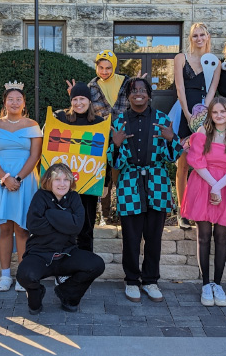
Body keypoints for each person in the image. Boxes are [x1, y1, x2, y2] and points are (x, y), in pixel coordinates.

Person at [108, 77, 182, 303]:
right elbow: (113, 162)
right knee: (130, 237)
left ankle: (150, 281)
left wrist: (171, 140)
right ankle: (131, 280)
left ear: (149, 95)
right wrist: (116, 145)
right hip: (129, 184)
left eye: (142, 90)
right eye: (133, 90)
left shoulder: (162, 119)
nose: (138, 93)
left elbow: (174, 156)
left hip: (157, 184)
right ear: (128, 96)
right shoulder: (119, 121)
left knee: (154, 238)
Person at [180, 97, 226, 307]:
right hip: (203, 185)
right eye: (215, 112)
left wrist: (219, 187)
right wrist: (213, 185)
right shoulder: (202, 134)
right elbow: (196, 162)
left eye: (223, 111)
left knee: (221, 237)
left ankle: (217, 284)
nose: (219, 115)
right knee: (203, 236)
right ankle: (205, 284)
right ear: (210, 114)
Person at [16, 163, 105, 315]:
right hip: (40, 253)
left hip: (66, 254)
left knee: (96, 264)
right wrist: (65, 222)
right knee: (25, 277)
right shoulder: (40, 196)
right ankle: (36, 293)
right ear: (49, 181)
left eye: (66, 179)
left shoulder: (74, 197)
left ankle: (67, 293)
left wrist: (50, 215)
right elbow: (34, 225)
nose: (62, 184)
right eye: (57, 179)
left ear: (71, 182)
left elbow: (77, 226)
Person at [0, 82, 42, 292]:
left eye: (19, 99)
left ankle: (23, 276)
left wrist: (18, 178)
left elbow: (35, 155)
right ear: (5, 102)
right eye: (11, 99)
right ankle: (5, 275)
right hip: (0, 180)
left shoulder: (33, 125)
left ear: (24, 102)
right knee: (5, 228)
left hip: (25, 180)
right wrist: (6, 178)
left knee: (23, 228)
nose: (15, 102)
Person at [68, 49, 132, 224]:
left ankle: (123, 211)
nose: (104, 71)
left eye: (108, 68)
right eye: (101, 67)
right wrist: (72, 97)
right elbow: (83, 108)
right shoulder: (91, 87)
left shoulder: (127, 83)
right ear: (96, 67)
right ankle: (105, 215)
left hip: (124, 135)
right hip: (100, 137)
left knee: (122, 174)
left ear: (115, 67)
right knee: (104, 177)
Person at [173, 23, 220, 229]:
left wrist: (202, 118)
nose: (199, 38)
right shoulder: (180, 58)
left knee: (204, 164)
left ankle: (201, 210)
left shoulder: (215, 62)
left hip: (205, 114)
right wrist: (188, 115)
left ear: (208, 37)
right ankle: (182, 211)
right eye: (195, 35)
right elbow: (179, 88)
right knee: (183, 163)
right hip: (184, 112)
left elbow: (211, 92)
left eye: (202, 35)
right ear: (190, 38)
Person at [54, 82, 110, 252]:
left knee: (86, 227)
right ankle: (63, 268)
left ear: (89, 101)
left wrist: (105, 183)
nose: (78, 103)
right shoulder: (61, 118)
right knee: (63, 227)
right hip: (63, 185)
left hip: (89, 184)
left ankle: (85, 268)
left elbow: (105, 155)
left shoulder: (99, 122)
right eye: (75, 99)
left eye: (82, 99)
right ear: (70, 100)